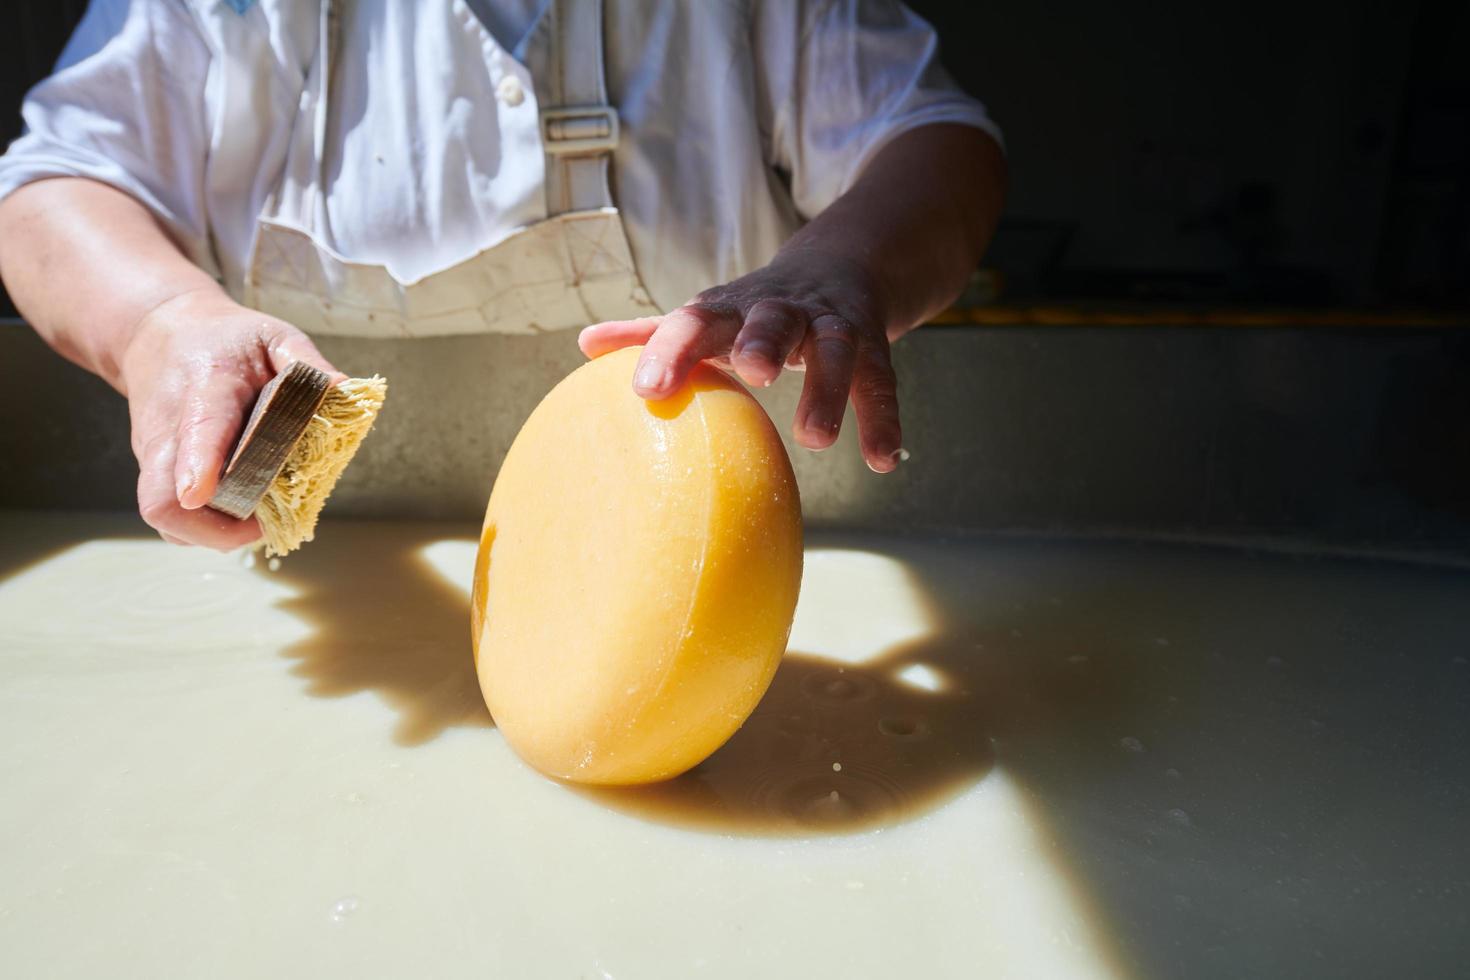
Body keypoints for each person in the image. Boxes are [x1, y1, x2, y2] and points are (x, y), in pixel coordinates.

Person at [0, 0, 1005, 550]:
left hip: (750, 554)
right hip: (315, 601)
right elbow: (53, 183)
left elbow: (934, 138)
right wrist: (159, 320)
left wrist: (842, 263)